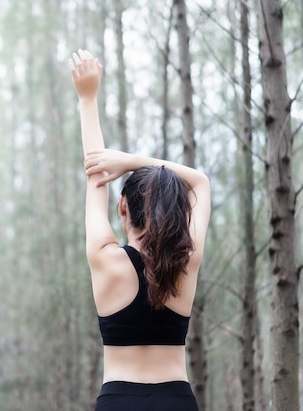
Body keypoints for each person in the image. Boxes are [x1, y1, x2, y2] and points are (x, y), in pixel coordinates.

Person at [69, 49, 211, 411]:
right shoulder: (186, 261)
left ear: (122, 207)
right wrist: (133, 161)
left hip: (119, 401)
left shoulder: (106, 261)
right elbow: (200, 182)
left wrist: (88, 98)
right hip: (177, 401)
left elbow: (95, 177)